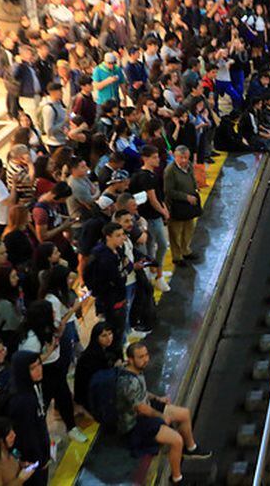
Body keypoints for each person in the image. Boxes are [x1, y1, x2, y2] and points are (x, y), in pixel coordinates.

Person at [117, 342, 211, 484]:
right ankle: (176, 479)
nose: (146, 359)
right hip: (135, 423)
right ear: (130, 359)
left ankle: (191, 448)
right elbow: (140, 408)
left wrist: (156, 398)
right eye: (141, 357)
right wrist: (162, 416)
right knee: (176, 440)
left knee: (184, 414)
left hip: (146, 408)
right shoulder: (127, 382)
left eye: (146, 355)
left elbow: (142, 393)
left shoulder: (136, 370)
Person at [16, 300, 87, 443]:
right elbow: (29, 362)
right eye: (52, 312)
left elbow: (58, 328)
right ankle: (40, 437)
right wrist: (48, 353)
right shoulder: (31, 339)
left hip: (55, 366)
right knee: (43, 405)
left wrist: (71, 312)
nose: (55, 314)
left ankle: (71, 427)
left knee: (64, 397)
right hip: (44, 372)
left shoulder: (46, 327)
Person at [129, 145, 170, 291]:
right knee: (162, 245)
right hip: (151, 217)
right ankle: (158, 276)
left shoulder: (149, 174)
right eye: (154, 157)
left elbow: (157, 196)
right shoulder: (145, 177)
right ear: (145, 159)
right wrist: (163, 212)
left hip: (150, 216)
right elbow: (153, 199)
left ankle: (153, 270)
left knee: (151, 246)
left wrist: (163, 207)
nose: (157, 159)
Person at [6, 352, 50, 486]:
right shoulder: (23, 400)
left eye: (39, 365)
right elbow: (27, 436)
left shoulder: (29, 387)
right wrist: (40, 460)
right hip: (32, 461)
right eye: (32, 368)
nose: (38, 370)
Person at [163, 145, 200, 267]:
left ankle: (186, 250)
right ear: (175, 156)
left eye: (186, 157)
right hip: (177, 205)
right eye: (181, 158)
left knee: (189, 228)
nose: (184, 160)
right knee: (176, 232)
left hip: (189, 204)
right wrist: (186, 197)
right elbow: (169, 191)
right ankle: (177, 256)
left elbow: (192, 177)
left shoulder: (188, 165)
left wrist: (195, 188)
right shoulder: (170, 171)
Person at [73, 321, 119, 411]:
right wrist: (115, 368)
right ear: (96, 338)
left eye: (110, 334)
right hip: (91, 394)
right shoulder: (90, 356)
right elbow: (99, 377)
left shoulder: (107, 349)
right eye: (104, 336)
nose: (109, 338)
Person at [0, 416, 38, 485]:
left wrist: (23, 464)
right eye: (10, 436)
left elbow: (19, 459)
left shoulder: (13, 451)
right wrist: (21, 479)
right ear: (0, 441)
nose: (14, 435)